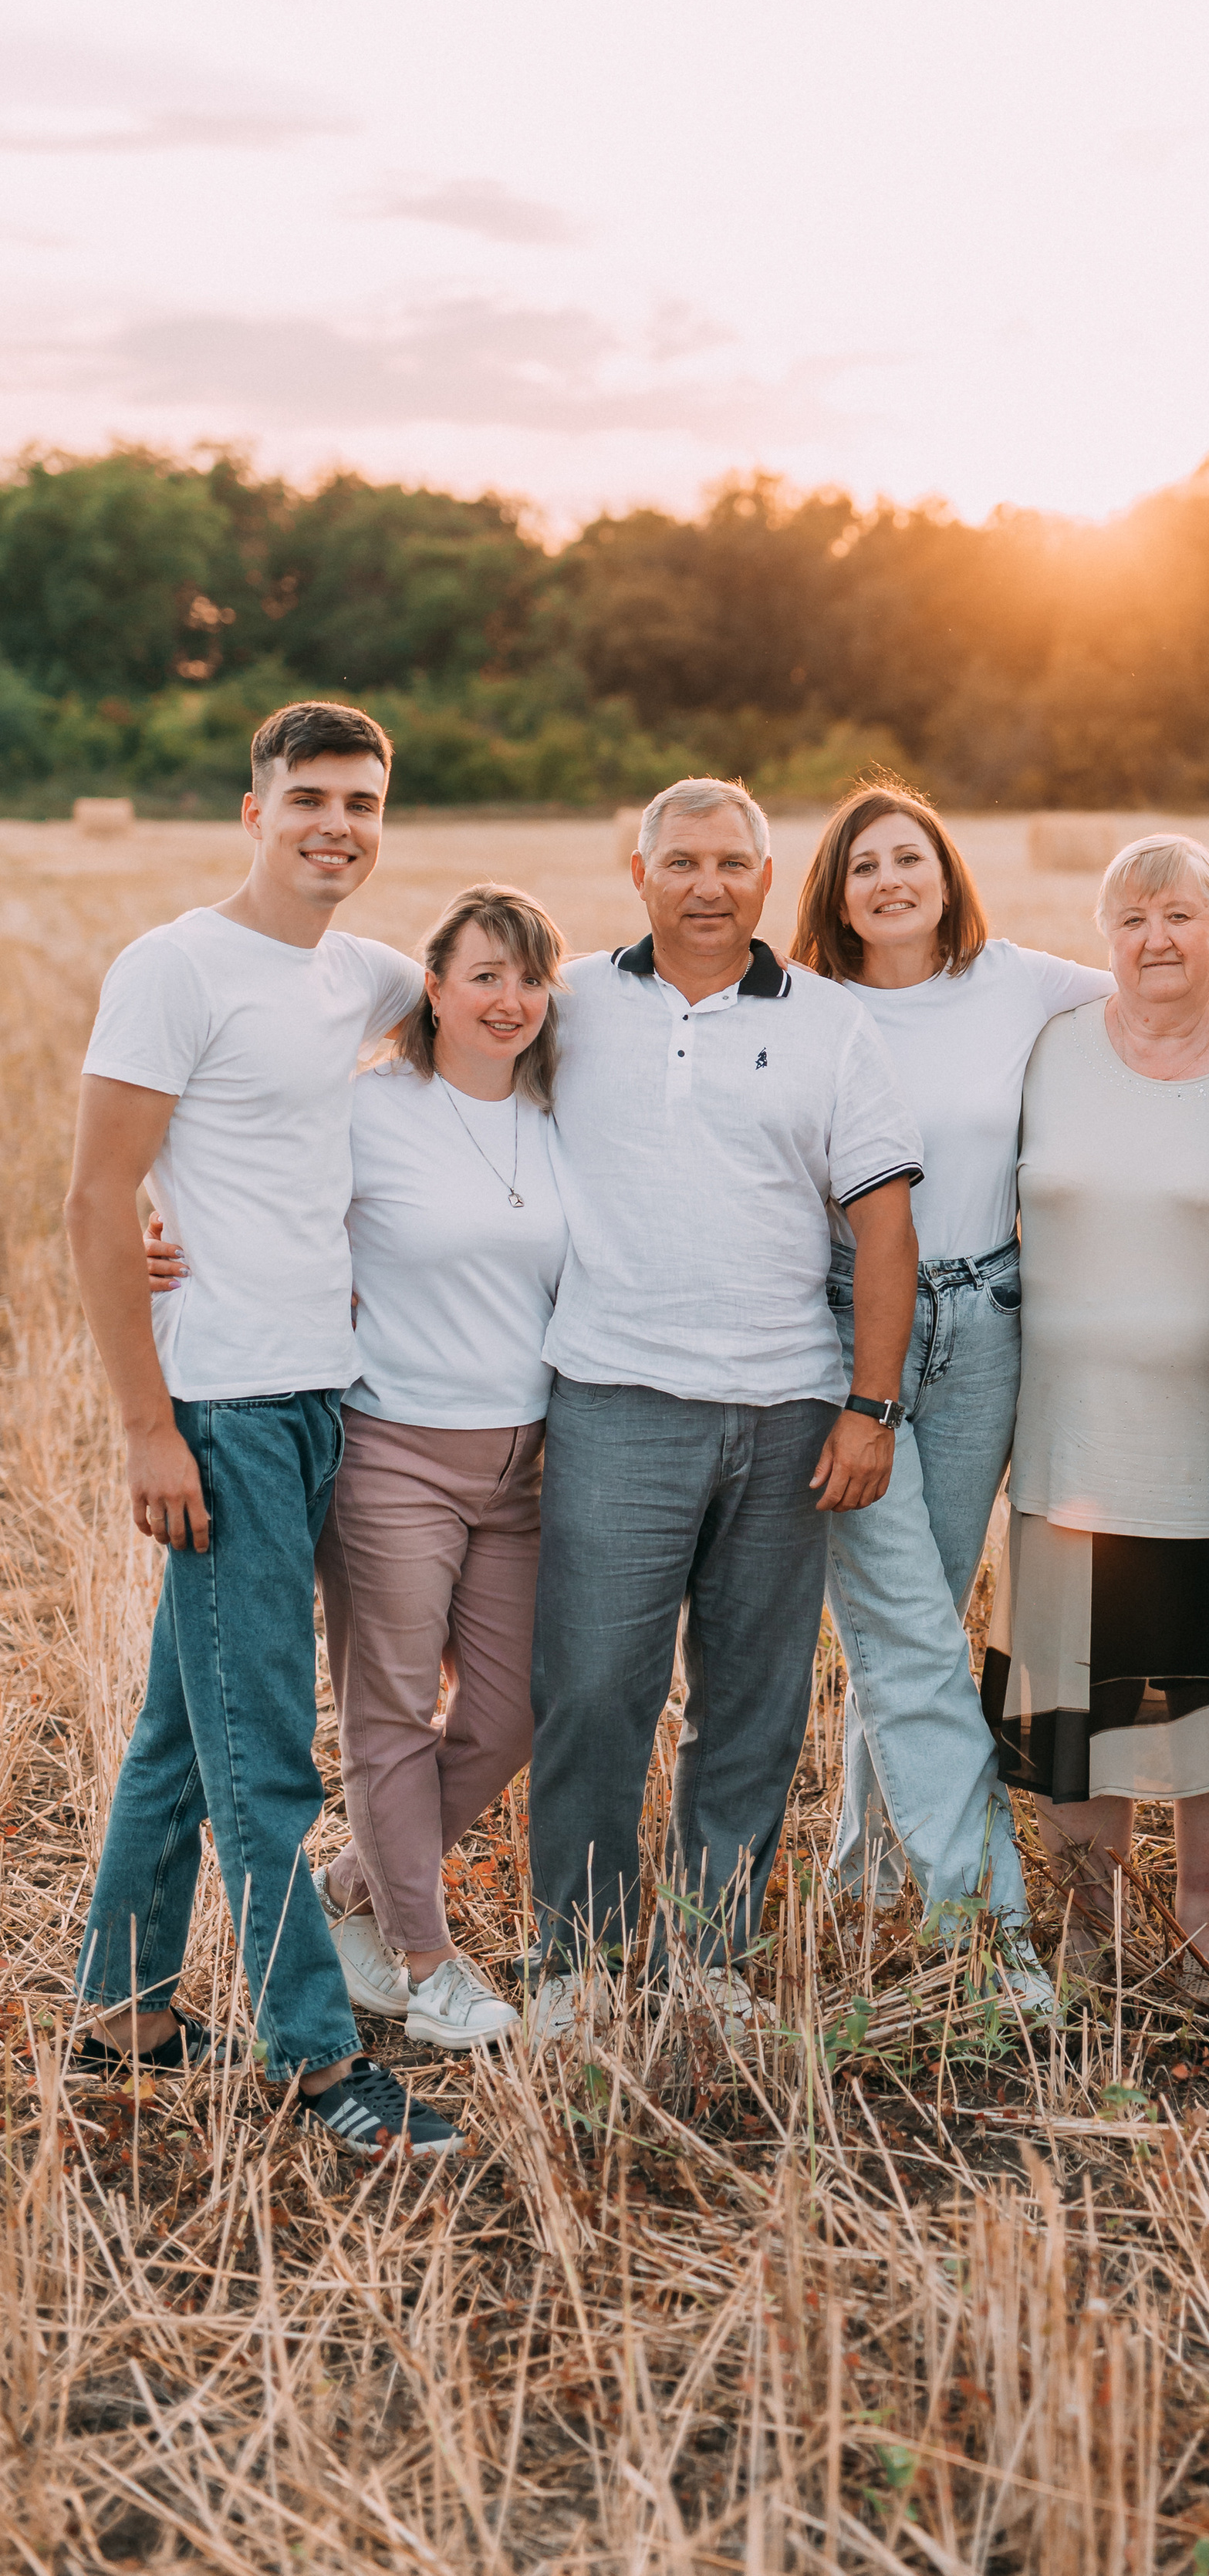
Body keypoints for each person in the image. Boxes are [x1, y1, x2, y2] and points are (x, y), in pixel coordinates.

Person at [64, 701, 461, 2159]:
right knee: (263, 1759)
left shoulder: (363, 974)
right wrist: (142, 1426)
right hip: (221, 1408)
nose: (336, 826)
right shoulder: (174, 968)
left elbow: (494, 1003)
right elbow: (97, 1199)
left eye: (361, 802)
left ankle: (124, 2013)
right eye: (308, 798)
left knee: (189, 1726)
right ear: (253, 809)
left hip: (320, 1394)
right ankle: (314, 2061)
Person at [525, 777, 922, 2033]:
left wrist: (871, 1405)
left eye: (733, 864)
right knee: (593, 1689)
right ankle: (575, 1960)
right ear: (635, 870)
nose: (709, 885)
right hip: (616, 1395)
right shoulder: (569, 1002)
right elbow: (424, 1086)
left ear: (767, 876)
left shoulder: (831, 1022)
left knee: (752, 1700)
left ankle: (708, 1958)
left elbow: (885, 1224)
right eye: (682, 861)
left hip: (792, 1409)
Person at [150, 886, 572, 2049]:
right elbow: (246, 1189)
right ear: (428, 989)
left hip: (527, 1461)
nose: (509, 999)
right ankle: (424, 1967)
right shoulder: (368, 1112)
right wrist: (155, 1223)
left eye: (530, 977)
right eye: (482, 974)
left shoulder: (559, 1112)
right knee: (389, 1711)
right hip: (394, 1449)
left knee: (511, 1711)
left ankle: (351, 1894)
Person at [789, 785, 1110, 2000]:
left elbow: (1172, 1013)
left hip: (988, 1320)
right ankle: (985, 1927)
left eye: (908, 857)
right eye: (863, 863)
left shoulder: (1018, 981)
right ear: (836, 889)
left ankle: (868, 1874)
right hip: (843, 1329)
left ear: (945, 870)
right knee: (911, 1632)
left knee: (920, 1606)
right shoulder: (803, 1006)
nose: (888, 880)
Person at [982, 835, 1209, 2004]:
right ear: (1105, 937)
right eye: (1131, 919)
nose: (1156, 939)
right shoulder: (1051, 1053)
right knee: (1079, 1697)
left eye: (1181, 916)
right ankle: (1089, 1936)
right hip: (1069, 1436)